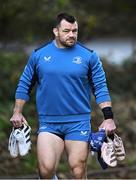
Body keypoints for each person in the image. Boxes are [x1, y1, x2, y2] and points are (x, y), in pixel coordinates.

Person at [10, 12, 116, 179]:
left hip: (78, 122)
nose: (72, 35)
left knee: (78, 170)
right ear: (55, 31)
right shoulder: (39, 55)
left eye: (75, 31)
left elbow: (100, 87)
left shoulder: (89, 56)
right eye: (67, 31)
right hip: (49, 123)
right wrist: (17, 111)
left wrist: (108, 117)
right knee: (45, 170)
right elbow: (24, 84)